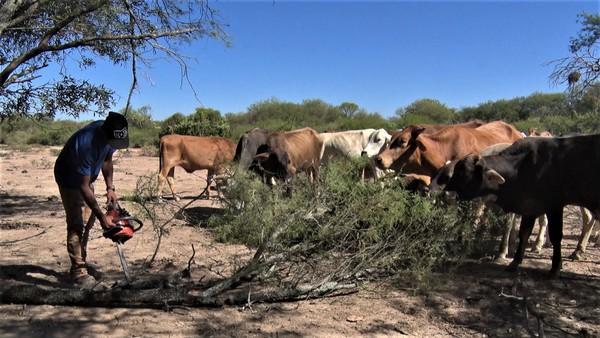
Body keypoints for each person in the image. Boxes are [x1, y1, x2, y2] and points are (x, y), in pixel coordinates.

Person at [54, 112, 129, 289]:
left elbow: (107, 160)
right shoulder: (86, 144)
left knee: (87, 222)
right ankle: (78, 271)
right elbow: (83, 186)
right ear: (104, 132)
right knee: (76, 224)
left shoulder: (111, 133)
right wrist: (103, 216)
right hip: (70, 180)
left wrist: (110, 188)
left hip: (86, 180)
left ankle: (82, 264)